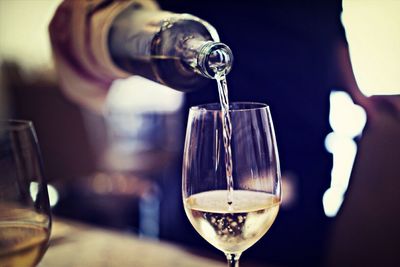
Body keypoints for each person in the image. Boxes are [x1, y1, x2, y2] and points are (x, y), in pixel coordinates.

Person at [50, 0, 399, 266]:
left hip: (305, 143)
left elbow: (328, 27)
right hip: (214, 155)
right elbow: (97, 20)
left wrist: (355, 91)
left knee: (301, 247)